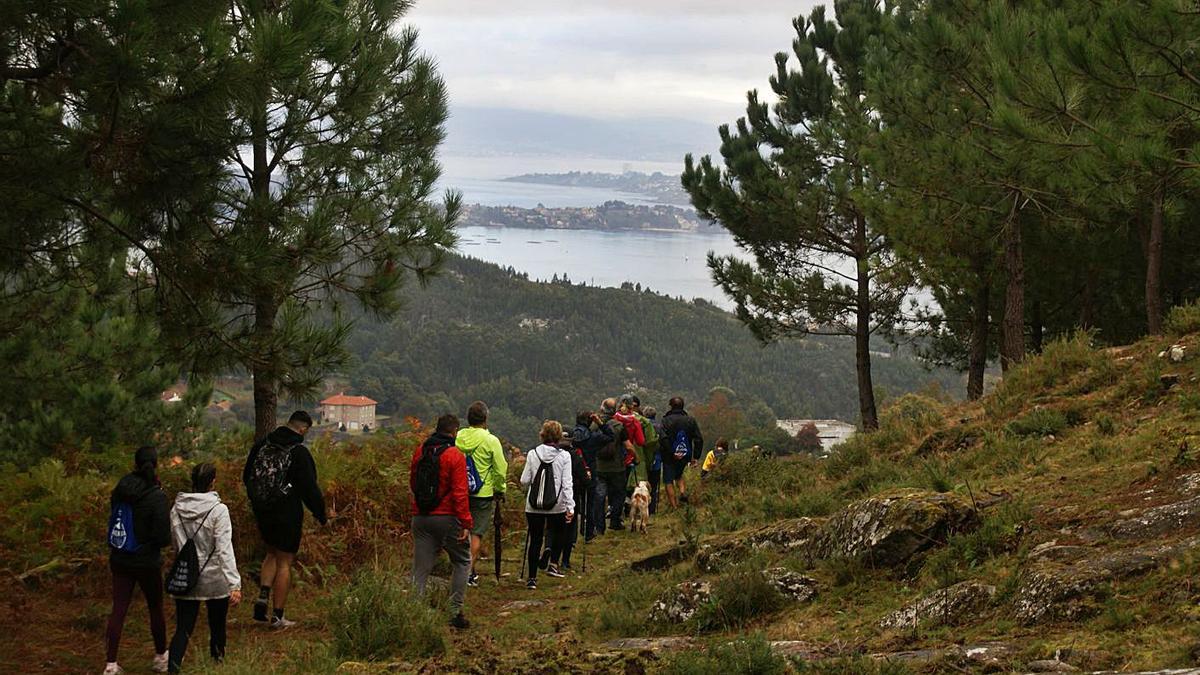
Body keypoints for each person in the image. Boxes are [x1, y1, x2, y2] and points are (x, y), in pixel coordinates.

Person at [242, 410, 327, 629]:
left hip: (263, 511)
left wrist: (259, 501)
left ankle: (262, 597)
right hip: (287, 513)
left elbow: (247, 476)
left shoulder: (262, 445)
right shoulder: (298, 452)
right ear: (303, 429)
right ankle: (278, 616)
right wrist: (320, 514)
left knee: (270, 553)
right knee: (284, 562)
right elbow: (309, 488)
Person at [167, 463, 242, 673]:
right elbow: (224, 549)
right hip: (215, 580)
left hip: (187, 577)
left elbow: (176, 545)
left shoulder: (176, 509)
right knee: (217, 626)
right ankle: (217, 666)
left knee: (183, 629)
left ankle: (172, 669)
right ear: (213, 482)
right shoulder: (219, 510)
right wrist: (234, 583)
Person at [104, 446, 171, 675]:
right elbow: (163, 537)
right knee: (155, 607)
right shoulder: (156, 495)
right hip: (147, 560)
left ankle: (111, 665)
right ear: (156, 464)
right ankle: (161, 657)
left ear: (135, 464)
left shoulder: (121, 488)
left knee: (119, 609)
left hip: (120, 557)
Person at [410, 414, 473, 629]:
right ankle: (454, 612)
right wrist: (465, 523)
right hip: (447, 517)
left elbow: (413, 483)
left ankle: (413, 613)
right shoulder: (454, 455)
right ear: (454, 431)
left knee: (420, 569)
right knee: (462, 561)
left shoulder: (420, 451)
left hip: (420, 517)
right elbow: (460, 493)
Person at [454, 401, 508, 588]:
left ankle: (462, 568)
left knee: (461, 530)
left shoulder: (458, 436)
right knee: (476, 533)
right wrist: (500, 489)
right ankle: (467, 573)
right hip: (482, 493)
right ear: (485, 419)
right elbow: (500, 469)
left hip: (460, 491)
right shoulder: (491, 440)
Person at [521, 420, 574, 589]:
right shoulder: (565, 456)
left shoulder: (532, 454)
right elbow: (567, 483)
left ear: (542, 434)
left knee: (535, 539)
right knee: (559, 532)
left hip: (533, 504)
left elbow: (524, 480)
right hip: (556, 504)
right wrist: (570, 506)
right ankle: (552, 560)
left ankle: (531, 578)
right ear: (559, 436)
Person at [549, 430, 590, 572]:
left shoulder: (551, 454)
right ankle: (565, 560)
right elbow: (585, 479)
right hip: (572, 496)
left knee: (553, 528)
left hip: (551, 496)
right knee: (570, 529)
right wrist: (587, 480)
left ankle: (549, 551)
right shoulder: (575, 456)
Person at [571, 410, 612, 542]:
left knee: (573, 503)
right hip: (589, 472)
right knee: (589, 503)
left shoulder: (570, 436)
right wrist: (600, 423)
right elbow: (610, 436)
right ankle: (588, 532)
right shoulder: (593, 437)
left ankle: (571, 535)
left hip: (573, 474)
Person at [594, 398, 631, 533]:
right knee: (619, 494)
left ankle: (599, 526)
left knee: (599, 495)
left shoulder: (594, 425)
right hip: (617, 467)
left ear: (602, 409)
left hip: (599, 466)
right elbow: (628, 446)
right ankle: (615, 521)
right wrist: (635, 458)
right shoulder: (619, 426)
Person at [659, 397, 703, 509]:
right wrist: (696, 456)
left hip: (669, 456)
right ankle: (682, 492)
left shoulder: (665, 420)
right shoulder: (690, 420)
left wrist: (672, 452)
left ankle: (674, 507)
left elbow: (663, 438)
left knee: (668, 480)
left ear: (671, 406)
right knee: (679, 474)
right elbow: (698, 439)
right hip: (685, 454)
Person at [643, 405, 663, 515]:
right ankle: (652, 509)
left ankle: (642, 507)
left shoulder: (642, 425)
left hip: (644, 459)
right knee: (654, 486)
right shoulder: (660, 426)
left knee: (643, 484)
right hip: (657, 460)